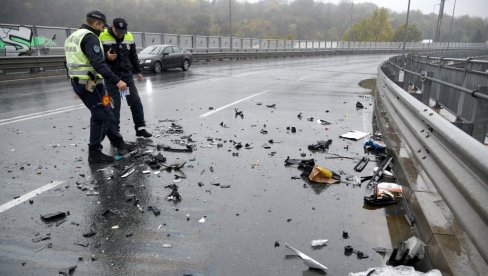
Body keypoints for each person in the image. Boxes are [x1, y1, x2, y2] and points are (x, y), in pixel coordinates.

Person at [65, 11, 137, 164]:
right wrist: (117, 81)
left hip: (86, 83)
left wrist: (76, 85)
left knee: (108, 113)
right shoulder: (90, 38)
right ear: (96, 23)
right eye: (102, 26)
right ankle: (94, 153)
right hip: (90, 85)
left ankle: (119, 144)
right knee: (100, 116)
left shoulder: (73, 36)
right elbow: (98, 64)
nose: (104, 30)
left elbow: (74, 61)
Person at [99, 18, 152, 138]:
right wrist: (107, 58)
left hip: (127, 77)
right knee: (114, 106)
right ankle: (115, 134)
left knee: (136, 102)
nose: (120, 34)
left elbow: (133, 55)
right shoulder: (102, 36)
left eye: (122, 31)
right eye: (118, 31)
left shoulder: (129, 36)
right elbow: (96, 57)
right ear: (112, 27)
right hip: (112, 78)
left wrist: (138, 71)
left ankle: (140, 128)